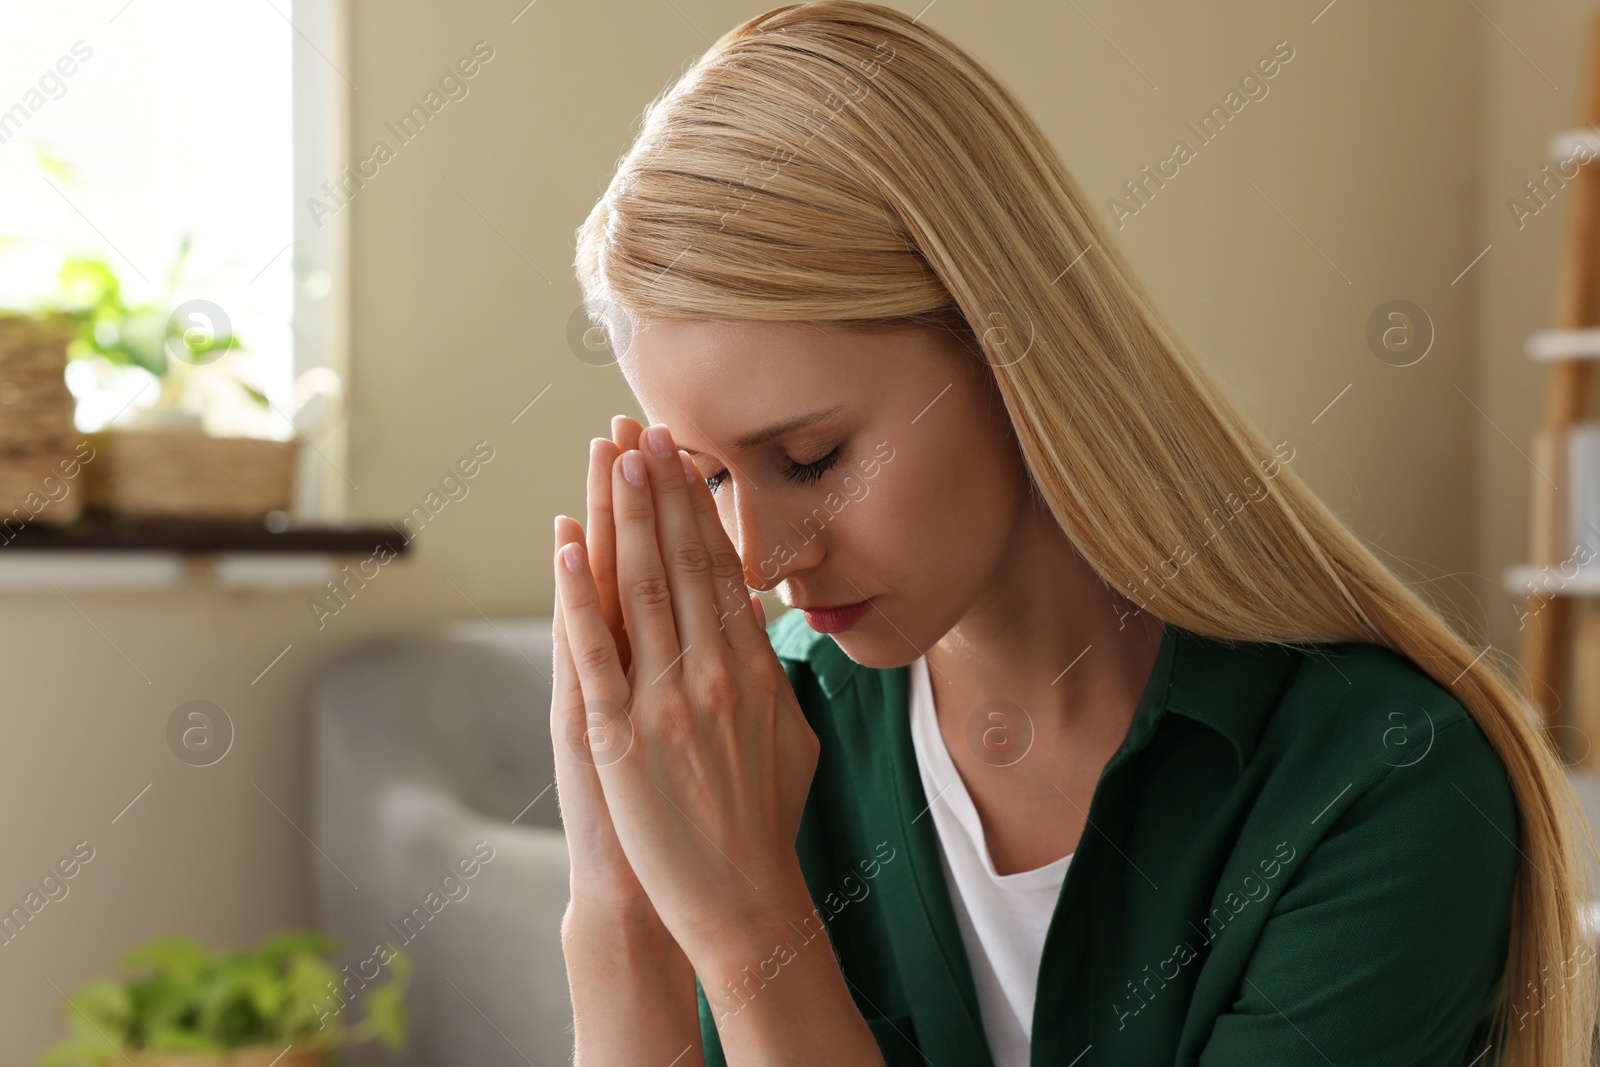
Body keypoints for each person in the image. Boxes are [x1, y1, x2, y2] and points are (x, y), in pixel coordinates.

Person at [549, 3, 1600, 1065]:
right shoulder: (750, 739)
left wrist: (749, 927)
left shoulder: (1381, 779)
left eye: (810, 458)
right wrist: (619, 896)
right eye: (713, 475)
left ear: (1008, 352)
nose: (760, 559)